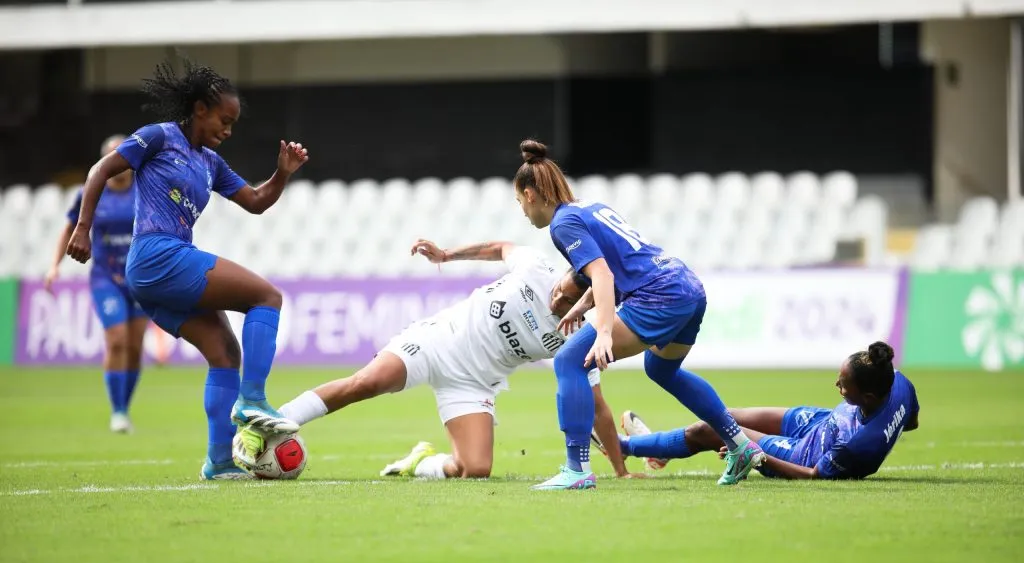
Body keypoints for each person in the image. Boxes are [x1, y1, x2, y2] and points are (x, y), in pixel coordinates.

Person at [65, 57, 309, 480]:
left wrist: (282, 175)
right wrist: (83, 228)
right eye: (223, 120)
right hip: (157, 254)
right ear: (199, 109)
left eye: (233, 124)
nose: (228, 131)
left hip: (157, 274)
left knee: (224, 353)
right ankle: (252, 399)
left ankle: (218, 461)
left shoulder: (210, 163)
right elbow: (101, 170)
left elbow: (254, 202)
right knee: (266, 297)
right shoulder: (158, 138)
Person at [249, 239, 642, 480]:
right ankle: (274, 421)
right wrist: (447, 254)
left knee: (475, 469)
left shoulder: (575, 336)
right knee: (364, 383)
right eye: (561, 288)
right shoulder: (537, 267)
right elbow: (500, 247)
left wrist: (621, 473)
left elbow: (596, 407)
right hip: (436, 343)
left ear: (586, 302)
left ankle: (419, 465)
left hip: (473, 385)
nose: (558, 298)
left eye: (569, 300)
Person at [511, 139, 765, 490]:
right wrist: (584, 306)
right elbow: (618, 265)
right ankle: (739, 444)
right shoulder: (589, 207)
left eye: (519, 203)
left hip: (657, 297)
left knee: (570, 361)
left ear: (530, 194)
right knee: (661, 368)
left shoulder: (562, 225)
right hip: (686, 285)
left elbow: (603, 274)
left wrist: (602, 331)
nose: (522, 212)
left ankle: (576, 470)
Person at [607, 342, 920, 480]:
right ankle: (662, 453)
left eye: (843, 386)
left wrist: (755, 454)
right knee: (725, 413)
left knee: (709, 429)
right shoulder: (900, 384)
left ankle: (624, 448)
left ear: (866, 395)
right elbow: (911, 422)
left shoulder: (858, 444)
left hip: (801, 453)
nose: (836, 384)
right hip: (825, 420)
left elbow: (813, 475)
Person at [45, 134, 148, 434]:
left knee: (134, 347)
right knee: (116, 340)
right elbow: (71, 227)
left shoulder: (144, 188)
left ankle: (124, 409)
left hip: (140, 278)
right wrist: (54, 266)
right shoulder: (93, 190)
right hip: (106, 278)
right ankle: (117, 412)